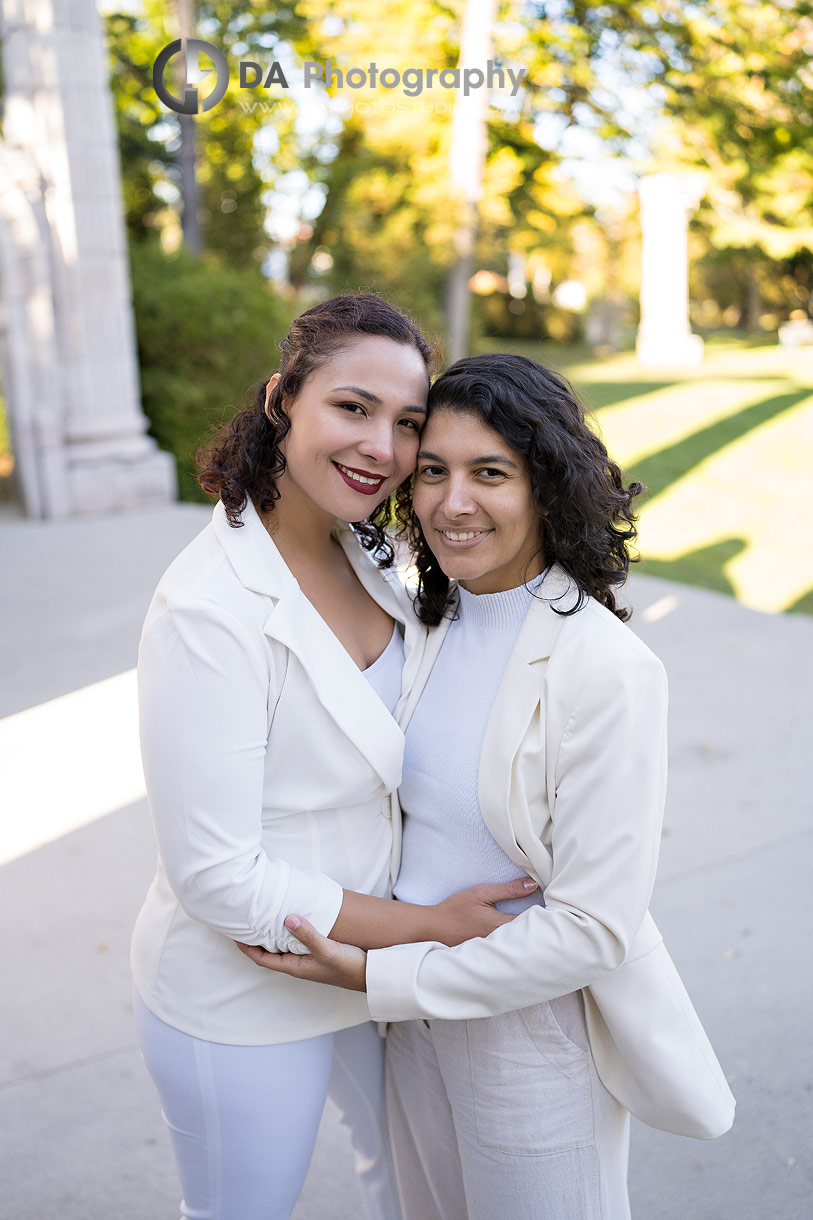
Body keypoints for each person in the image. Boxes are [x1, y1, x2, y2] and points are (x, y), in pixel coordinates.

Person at [239, 352, 735, 1220]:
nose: (450, 502)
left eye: (489, 474)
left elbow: (592, 926)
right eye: (431, 471)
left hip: (524, 1032)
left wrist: (377, 975)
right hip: (410, 1028)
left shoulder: (606, 669)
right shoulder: (423, 619)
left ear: (546, 485)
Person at [130, 302, 534, 1220]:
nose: (382, 448)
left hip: (373, 974)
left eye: (405, 423)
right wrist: (423, 925)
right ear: (282, 400)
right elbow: (218, 876)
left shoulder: (370, 549)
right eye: (352, 408)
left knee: (406, 1188)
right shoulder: (208, 610)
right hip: (251, 979)